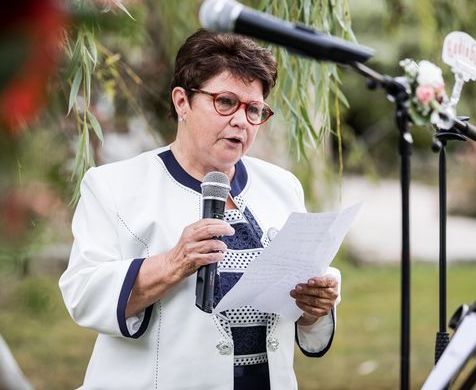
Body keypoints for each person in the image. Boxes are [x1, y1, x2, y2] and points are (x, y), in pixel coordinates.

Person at [59, 29, 341, 390]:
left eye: (254, 109)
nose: (241, 120)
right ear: (182, 102)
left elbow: (298, 303)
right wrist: (174, 262)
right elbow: (83, 291)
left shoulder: (282, 186)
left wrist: (314, 307)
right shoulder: (113, 186)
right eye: (225, 102)